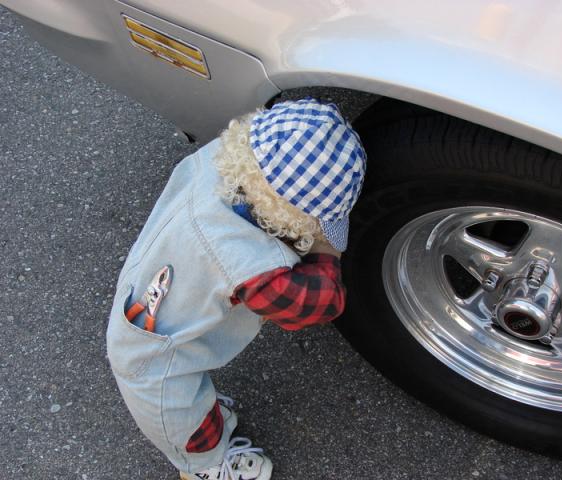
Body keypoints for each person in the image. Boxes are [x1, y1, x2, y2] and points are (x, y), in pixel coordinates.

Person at [106, 98, 367, 479]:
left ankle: (204, 415)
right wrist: (326, 252)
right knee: (190, 433)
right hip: (154, 367)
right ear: (292, 212)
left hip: (144, 302)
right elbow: (316, 304)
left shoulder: (219, 161)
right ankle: (207, 469)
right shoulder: (247, 265)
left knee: (196, 401)